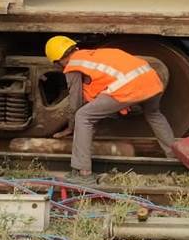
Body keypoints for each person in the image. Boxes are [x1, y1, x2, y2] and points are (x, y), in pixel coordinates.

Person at [44, 36, 177, 185]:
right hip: (151, 79)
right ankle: (174, 158)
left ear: (58, 61)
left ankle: (83, 173)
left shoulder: (73, 65)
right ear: (74, 48)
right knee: (153, 114)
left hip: (129, 86)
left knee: (83, 116)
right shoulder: (92, 55)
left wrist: (70, 127)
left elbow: (75, 103)